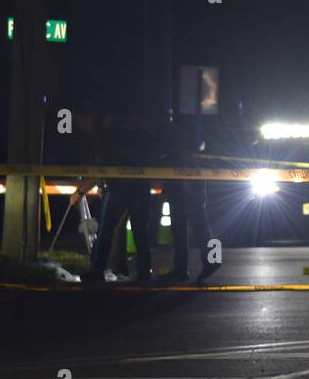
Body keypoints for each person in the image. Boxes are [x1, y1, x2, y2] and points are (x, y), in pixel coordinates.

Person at [88, 115, 157, 284]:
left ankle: (97, 270)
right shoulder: (143, 135)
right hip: (141, 188)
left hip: (118, 187)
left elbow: (99, 160)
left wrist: (102, 184)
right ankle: (144, 271)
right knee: (140, 231)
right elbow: (154, 158)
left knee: (106, 231)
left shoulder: (109, 135)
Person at [154, 116, 221, 283]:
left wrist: (186, 183)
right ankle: (184, 268)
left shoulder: (167, 132)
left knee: (193, 226)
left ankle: (210, 261)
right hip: (187, 184)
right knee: (189, 227)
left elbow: (183, 155)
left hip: (184, 186)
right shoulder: (174, 130)